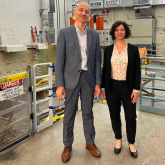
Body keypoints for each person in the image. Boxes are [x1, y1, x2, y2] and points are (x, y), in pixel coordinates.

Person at [55, 3, 102, 162]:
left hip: (88, 78)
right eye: (81, 10)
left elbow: (97, 60)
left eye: (87, 12)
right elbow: (60, 60)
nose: (84, 13)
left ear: (89, 15)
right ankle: (67, 145)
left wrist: (97, 82)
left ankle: (90, 142)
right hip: (70, 80)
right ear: (75, 12)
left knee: (88, 113)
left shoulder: (94, 35)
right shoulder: (64, 33)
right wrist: (60, 85)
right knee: (69, 114)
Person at [101, 21, 141, 158]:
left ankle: (131, 142)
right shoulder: (107, 50)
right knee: (114, 115)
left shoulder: (133, 50)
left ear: (126, 32)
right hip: (112, 87)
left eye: (122, 29)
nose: (119, 32)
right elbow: (105, 70)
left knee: (131, 116)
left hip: (128, 88)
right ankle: (118, 139)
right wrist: (103, 87)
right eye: (117, 30)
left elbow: (137, 71)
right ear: (113, 32)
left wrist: (136, 90)